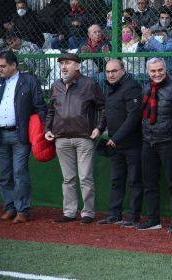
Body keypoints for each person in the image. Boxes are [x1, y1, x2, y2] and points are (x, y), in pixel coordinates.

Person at [45, 53, 105, 224]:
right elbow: (51, 110)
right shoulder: (56, 85)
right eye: (62, 63)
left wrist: (99, 128)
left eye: (68, 63)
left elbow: (103, 107)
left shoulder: (89, 84)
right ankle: (69, 212)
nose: (64, 67)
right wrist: (47, 128)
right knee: (68, 178)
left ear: (78, 66)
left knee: (85, 177)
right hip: (61, 138)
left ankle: (88, 213)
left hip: (84, 138)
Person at [137, 57, 172, 232]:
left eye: (160, 70)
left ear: (165, 69)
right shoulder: (145, 88)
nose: (157, 74)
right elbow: (142, 115)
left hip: (169, 143)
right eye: (153, 71)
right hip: (148, 142)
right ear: (148, 72)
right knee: (149, 184)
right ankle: (153, 220)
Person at [0, 50, 46, 223]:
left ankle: (22, 210)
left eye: (3, 66)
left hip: (20, 135)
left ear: (13, 65)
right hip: (0, 135)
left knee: (19, 172)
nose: (0, 70)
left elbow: (40, 106)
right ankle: (9, 208)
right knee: (4, 174)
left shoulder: (29, 81)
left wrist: (40, 127)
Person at [97, 59, 143, 227]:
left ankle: (133, 216)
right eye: (108, 72)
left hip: (132, 144)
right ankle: (113, 214)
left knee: (134, 180)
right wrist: (100, 128)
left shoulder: (132, 87)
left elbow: (134, 117)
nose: (111, 74)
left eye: (114, 71)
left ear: (122, 70)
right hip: (115, 144)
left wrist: (115, 139)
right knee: (117, 180)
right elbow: (106, 113)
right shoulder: (109, 89)